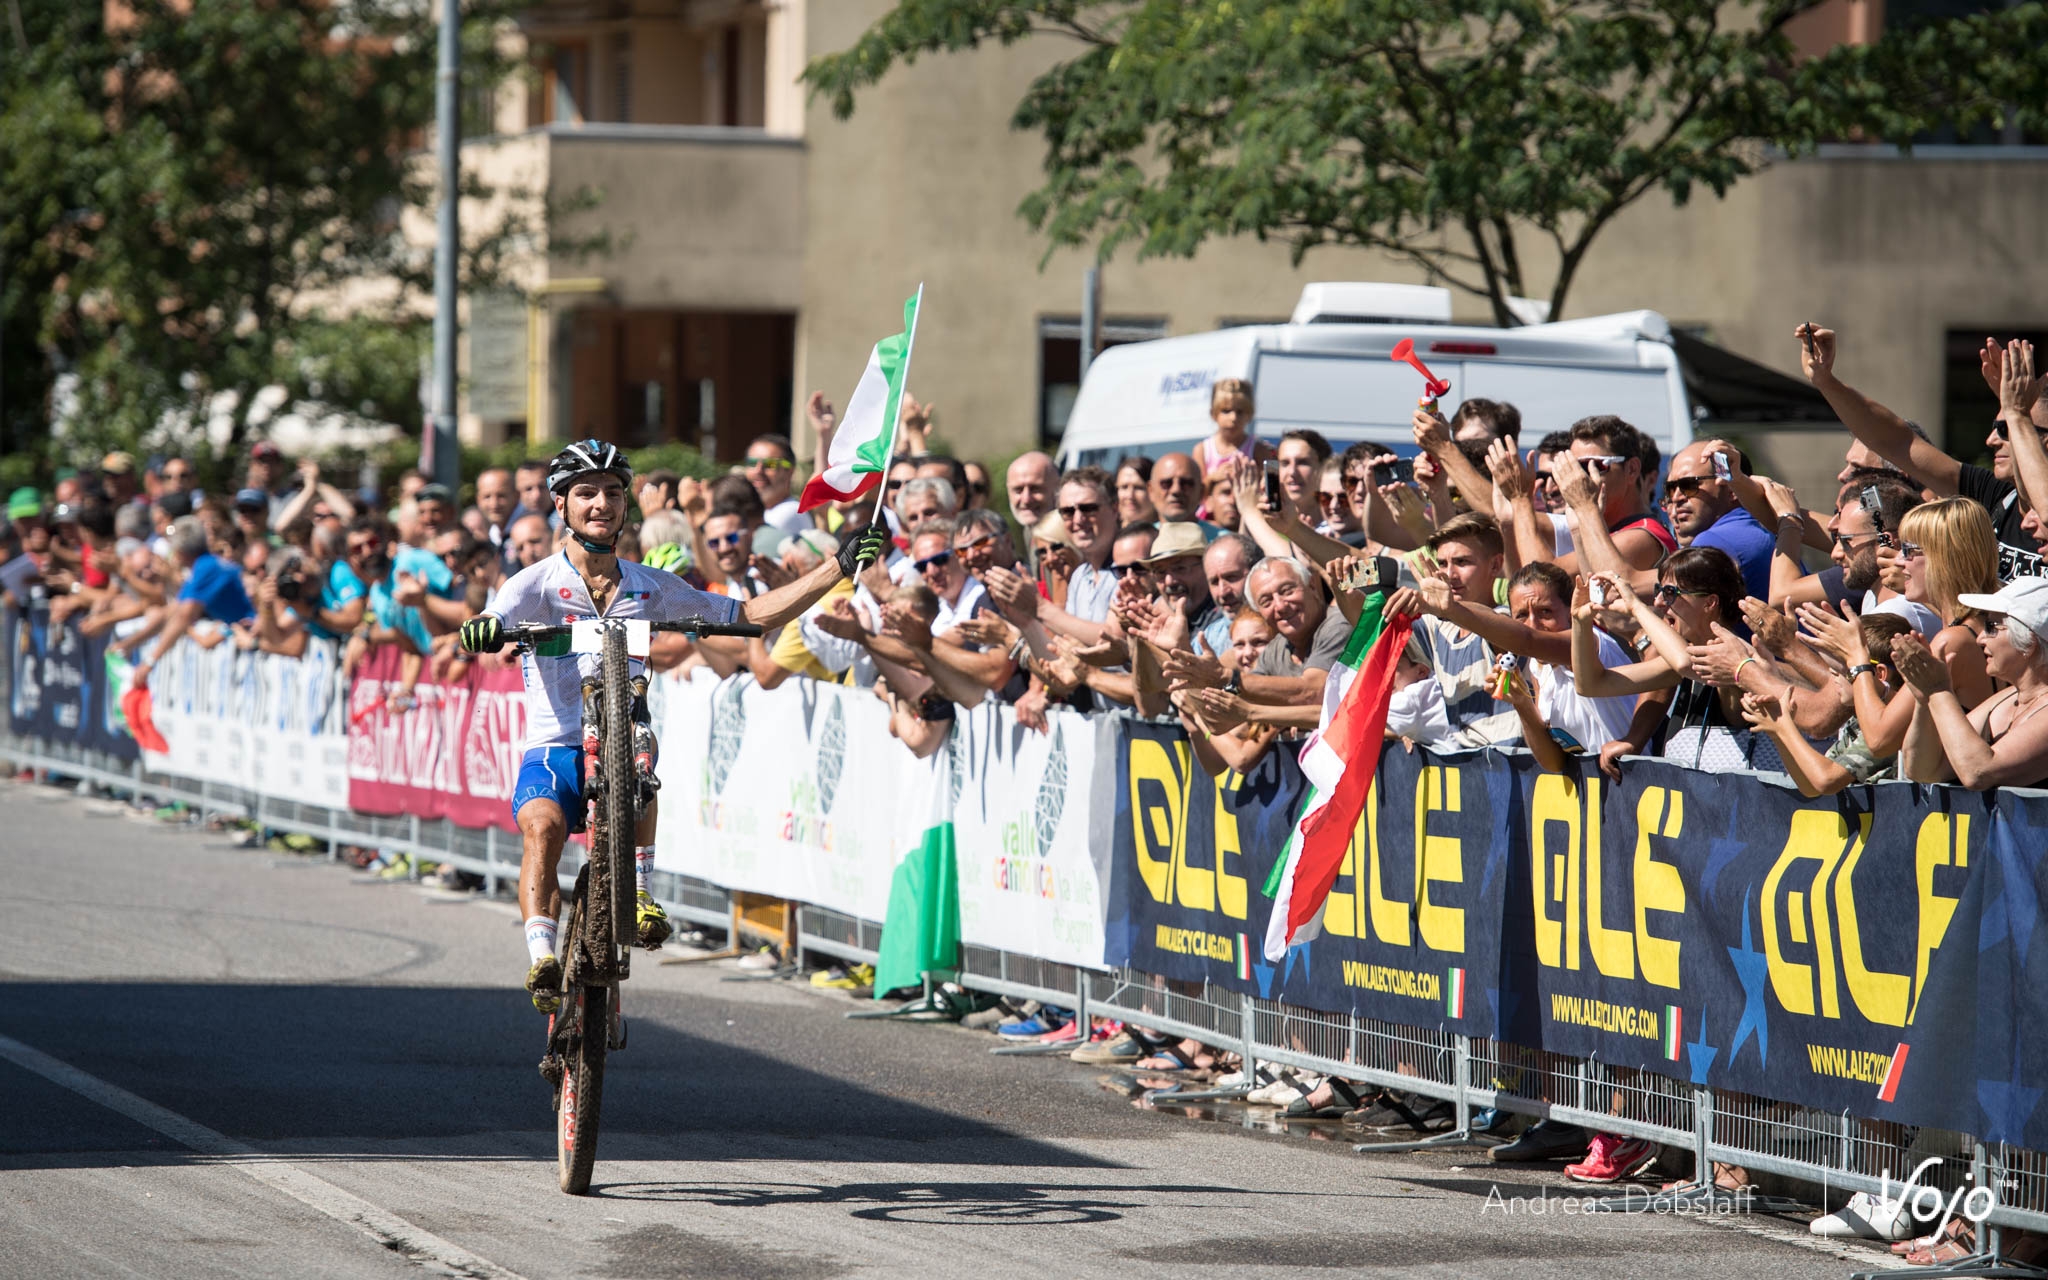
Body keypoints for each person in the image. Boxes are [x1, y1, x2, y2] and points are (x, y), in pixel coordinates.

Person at [456, 439, 885, 1012]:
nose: (601, 504)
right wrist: (481, 630)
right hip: (555, 744)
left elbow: (750, 616)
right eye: (586, 493)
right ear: (561, 505)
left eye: (613, 493)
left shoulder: (648, 584)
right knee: (543, 831)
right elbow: (493, 617)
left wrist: (838, 566)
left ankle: (640, 894)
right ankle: (542, 956)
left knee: (641, 746)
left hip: (621, 733)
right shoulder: (533, 583)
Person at [1799, 323, 2046, 581]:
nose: (1991, 440)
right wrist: (1825, 381)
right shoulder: (1995, 497)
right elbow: (1896, 441)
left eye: (2007, 429)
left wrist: (1924, 584)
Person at [1895, 577, 2048, 790]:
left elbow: (1978, 772)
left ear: (2030, 642)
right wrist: (1925, 699)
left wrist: (1939, 690)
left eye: (1991, 627)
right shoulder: (2005, 699)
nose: (1980, 638)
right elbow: (1923, 770)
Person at [130, 516, 256, 688]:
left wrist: (150, 661)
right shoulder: (203, 566)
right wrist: (130, 642)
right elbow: (172, 611)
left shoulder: (206, 568)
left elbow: (184, 617)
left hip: (253, 632)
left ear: (180, 552)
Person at [1191, 377, 1273, 474]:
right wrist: (1216, 478)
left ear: (1250, 415)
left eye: (1240, 412)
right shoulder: (1202, 450)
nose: (1233, 418)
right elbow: (1199, 487)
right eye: (1226, 411)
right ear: (1213, 414)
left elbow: (1269, 485)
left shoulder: (1258, 449)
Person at [744, 433, 810, 538]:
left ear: (790, 471)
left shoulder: (789, 513)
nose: (758, 471)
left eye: (770, 464)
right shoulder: (758, 512)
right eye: (752, 463)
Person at [1005, 452, 1059, 530]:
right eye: (1018, 490)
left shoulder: (1072, 537)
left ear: (1058, 489)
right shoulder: (1029, 534)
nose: (1026, 500)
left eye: (1035, 489)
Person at [1114, 457, 1157, 527]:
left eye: (1138, 488)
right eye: (1124, 487)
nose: (1130, 495)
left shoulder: (1167, 535)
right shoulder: (1107, 535)